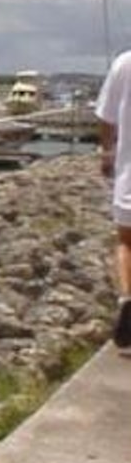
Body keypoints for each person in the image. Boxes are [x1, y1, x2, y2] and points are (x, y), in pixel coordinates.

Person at [96, 49, 131, 347]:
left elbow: (106, 118)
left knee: (126, 241)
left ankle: (126, 297)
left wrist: (106, 152)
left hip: (129, 174)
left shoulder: (124, 63)